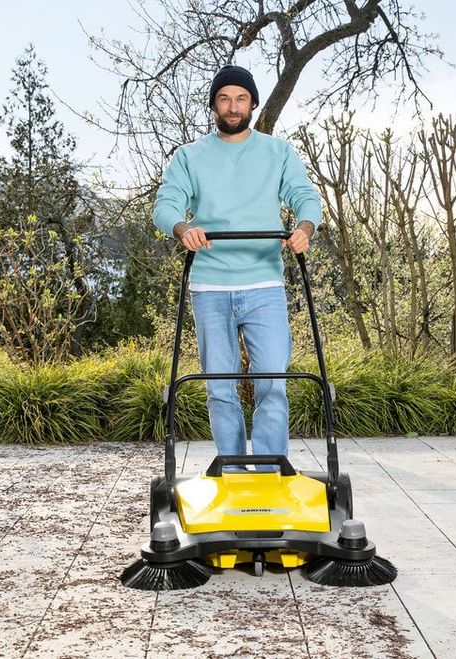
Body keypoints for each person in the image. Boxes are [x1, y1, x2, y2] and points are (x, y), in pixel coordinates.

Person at [151, 64, 323, 469]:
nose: (233, 107)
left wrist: (303, 228)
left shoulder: (277, 152)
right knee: (219, 386)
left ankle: (267, 470)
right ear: (214, 105)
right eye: (225, 98)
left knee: (273, 382)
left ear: (252, 104)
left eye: (241, 98)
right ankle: (230, 467)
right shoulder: (189, 156)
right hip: (210, 285)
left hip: (264, 282)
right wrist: (182, 228)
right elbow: (166, 205)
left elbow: (305, 197)